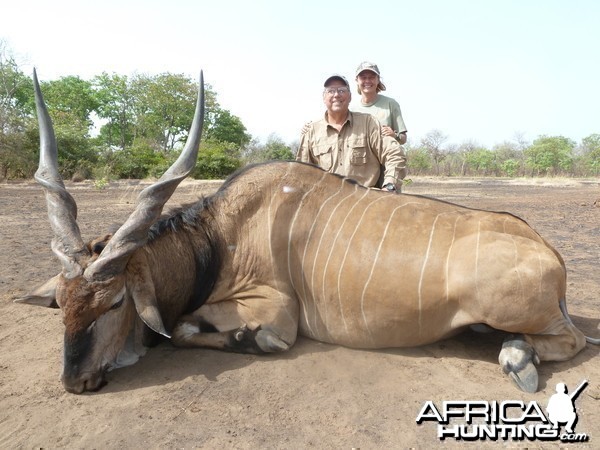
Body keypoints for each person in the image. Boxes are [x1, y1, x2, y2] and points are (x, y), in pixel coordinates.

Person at [296, 74, 406, 192]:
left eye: (342, 90)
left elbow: (394, 153)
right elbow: (301, 173)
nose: (336, 95)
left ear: (349, 97)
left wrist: (389, 185)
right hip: (326, 202)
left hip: (364, 200)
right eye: (330, 91)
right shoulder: (312, 131)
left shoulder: (368, 123)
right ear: (324, 98)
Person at [352, 61, 407, 145]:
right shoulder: (352, 109)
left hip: (386, 157)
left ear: (378, 79)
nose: (367, 81)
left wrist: (394, 136)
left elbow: (403, 138)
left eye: (371, 77)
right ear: (357, 80)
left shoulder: (390, 104)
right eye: (363, 77)